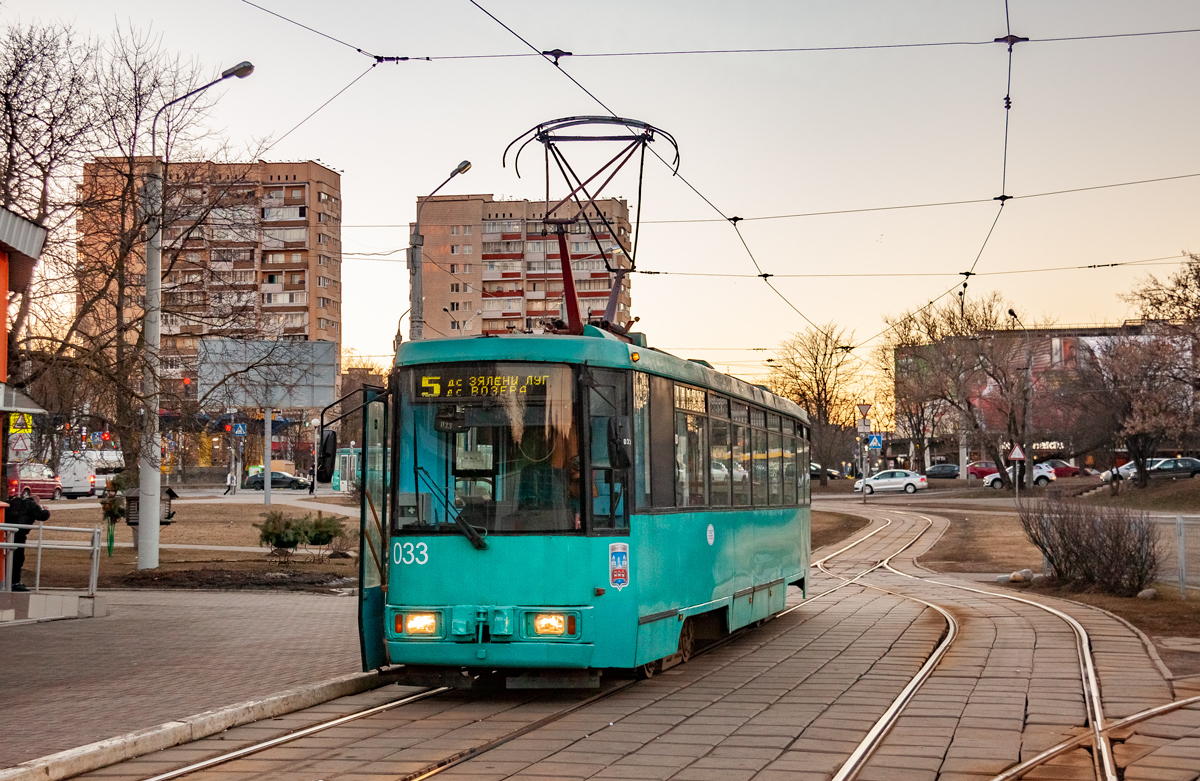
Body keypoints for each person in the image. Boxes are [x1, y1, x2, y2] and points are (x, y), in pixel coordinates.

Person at [6, 495, 50, 591]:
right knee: (18, 559)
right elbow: (42, 516)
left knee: (9, 558)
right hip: (20, 534)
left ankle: (7, 581)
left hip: (7, 534)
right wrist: (46, 511)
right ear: (36, 501)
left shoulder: (14, 502)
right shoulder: (32, 505)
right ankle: (15, 583)